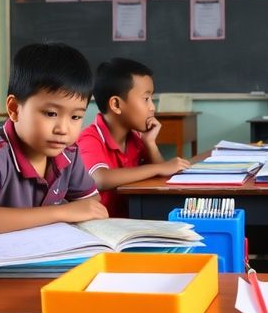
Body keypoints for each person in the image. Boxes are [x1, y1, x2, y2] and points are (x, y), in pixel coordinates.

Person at [0, 43, 107, 232]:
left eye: (76, 117)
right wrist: (61, 212)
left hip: (44, 256)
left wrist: (77, 210)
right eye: (50, 114)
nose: (63, 129)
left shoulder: (68, 153)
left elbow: (90, 202)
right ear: (14, 109)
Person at [76, 58, 190, 217]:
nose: (152, 107)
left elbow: (163, 177)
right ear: (116, 105)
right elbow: (99, 178)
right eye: (146, 99)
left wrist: (150, 144)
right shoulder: (91, 138)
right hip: (104, 229)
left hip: (133, 220)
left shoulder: (135, 138)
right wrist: (158, 168)